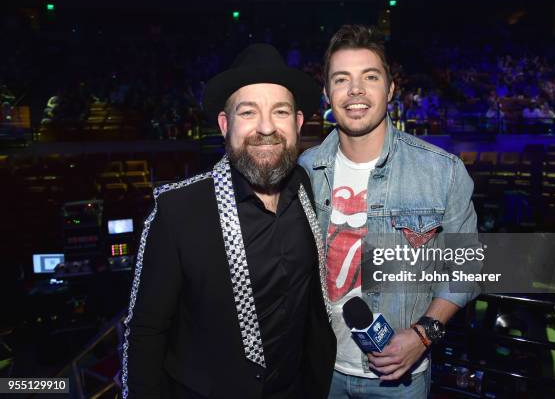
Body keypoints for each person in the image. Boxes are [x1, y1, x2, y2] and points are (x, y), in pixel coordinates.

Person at [122, 43, 336, 399]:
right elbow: (145, 331)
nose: (266, 128)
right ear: (225, 124)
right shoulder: (178, 210)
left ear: (298, 123)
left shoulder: (308, 191)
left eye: (280, 112)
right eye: (248, 112)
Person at [299, 25, 479, 398]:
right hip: (317, 368)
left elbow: (467, 267)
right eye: (342, 79)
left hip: (399, 381)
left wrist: (423, 335)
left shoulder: (442, 171)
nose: (356, 90)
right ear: (326, 93)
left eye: (370, 76)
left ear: (391, 88)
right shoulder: (304, 170)